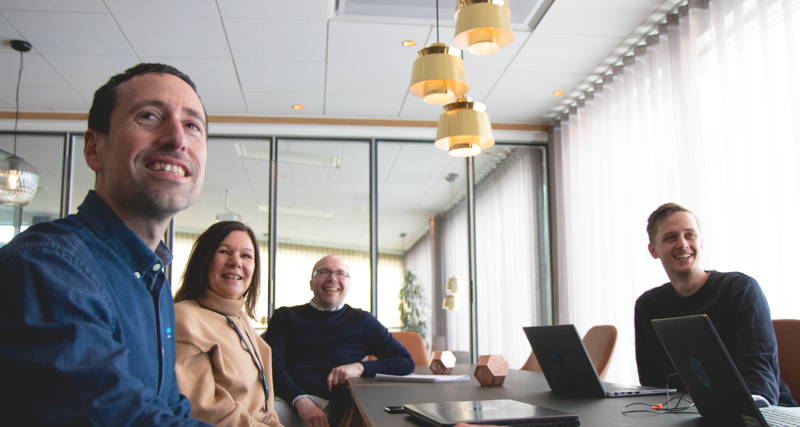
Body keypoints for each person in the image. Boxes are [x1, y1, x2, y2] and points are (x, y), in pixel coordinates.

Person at [0, 63, 213, 425]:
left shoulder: (151, 274)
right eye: (149, 116)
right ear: (94, 148)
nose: (177, 139)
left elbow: (168, 405)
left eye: (192, 125)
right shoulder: (48, 264)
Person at [634, 203, 796, 406]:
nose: (683, 243)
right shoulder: (647, 305)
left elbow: (759, 369)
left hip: (761, 412)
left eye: (690, 235)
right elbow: (654, 384)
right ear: (653, 250)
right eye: (671, 237)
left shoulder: (741, 289)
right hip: (695, 415)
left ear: (701, 242)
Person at [263, 254, 415, 427]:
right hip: (284, 398)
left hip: (327, 406)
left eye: (341, 273)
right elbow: (271, 366)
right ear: (311, 283)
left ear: (349, 285)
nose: (332, 278)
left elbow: (405, 361)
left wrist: (360, 367)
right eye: (324, 272)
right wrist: (300, 400)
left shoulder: (363, 321)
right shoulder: (284, 316)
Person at [173, 221, 283, 427]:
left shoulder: (239, 318)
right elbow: (205, 411)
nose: (236, 262)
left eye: (246, 256)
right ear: (203, 260)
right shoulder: (184, 319)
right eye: (224, 251)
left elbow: (264, 407)